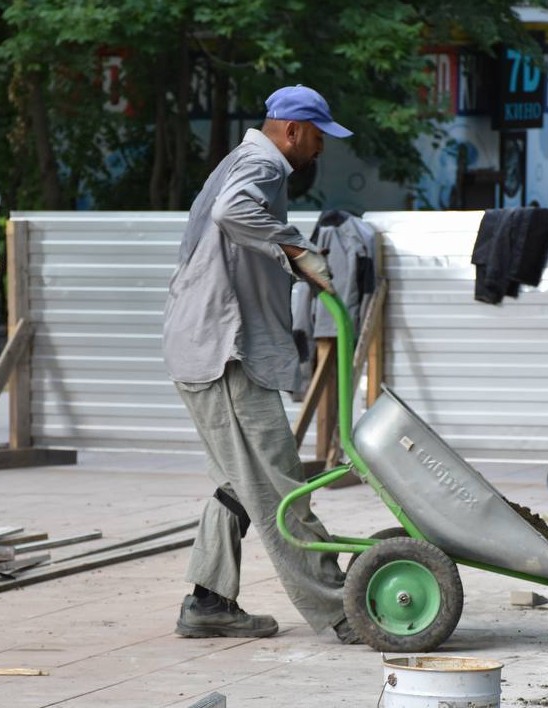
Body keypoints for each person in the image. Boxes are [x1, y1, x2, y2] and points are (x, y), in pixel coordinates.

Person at [162, 85, 360, 644]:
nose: (321, 148)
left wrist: (285, 259)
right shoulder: (263, 165)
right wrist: (294, 248)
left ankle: (209, 601)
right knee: (279, 485)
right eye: (319, 136)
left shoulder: (237, 161)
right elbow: (232, 212)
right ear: (293, 130)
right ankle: (343, 609)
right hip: (224, 350)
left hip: (202, 343)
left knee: (237, 483)